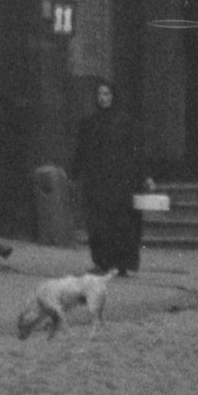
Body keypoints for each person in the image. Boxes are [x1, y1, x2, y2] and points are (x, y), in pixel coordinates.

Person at [72, 77, 148, 275]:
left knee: (121, 223)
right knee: (98, 223)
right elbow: (81, 151)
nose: (103, 98)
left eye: (106, 94)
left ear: (113, 96)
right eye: (99, 94)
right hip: (97, 181)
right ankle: (102, 262)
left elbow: (135, 152)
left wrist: (144, 176)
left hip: (121, 181)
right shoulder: (89, 123)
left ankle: (122, 264)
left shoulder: (125, 123)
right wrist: (75, 173)